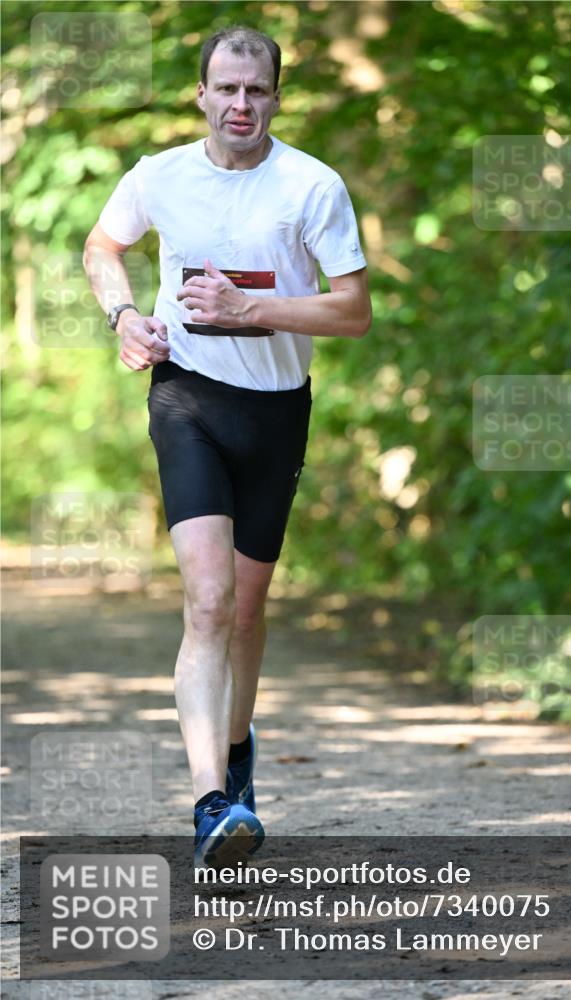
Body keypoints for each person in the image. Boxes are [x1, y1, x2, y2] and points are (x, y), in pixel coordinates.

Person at [83, 25, 371, 867]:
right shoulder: (159, 175)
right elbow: (103, 246)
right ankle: (211, 802)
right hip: (187, 399)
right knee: (207, 602)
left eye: (256, 90)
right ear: (201, 94)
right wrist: (123, 316)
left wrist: (252, 310)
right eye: (227, 88)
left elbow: (353, 311)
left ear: (276, 97)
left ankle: (236, 751)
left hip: (276, 411)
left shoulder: (311, 186)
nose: (241, 104)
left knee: (246, 608)